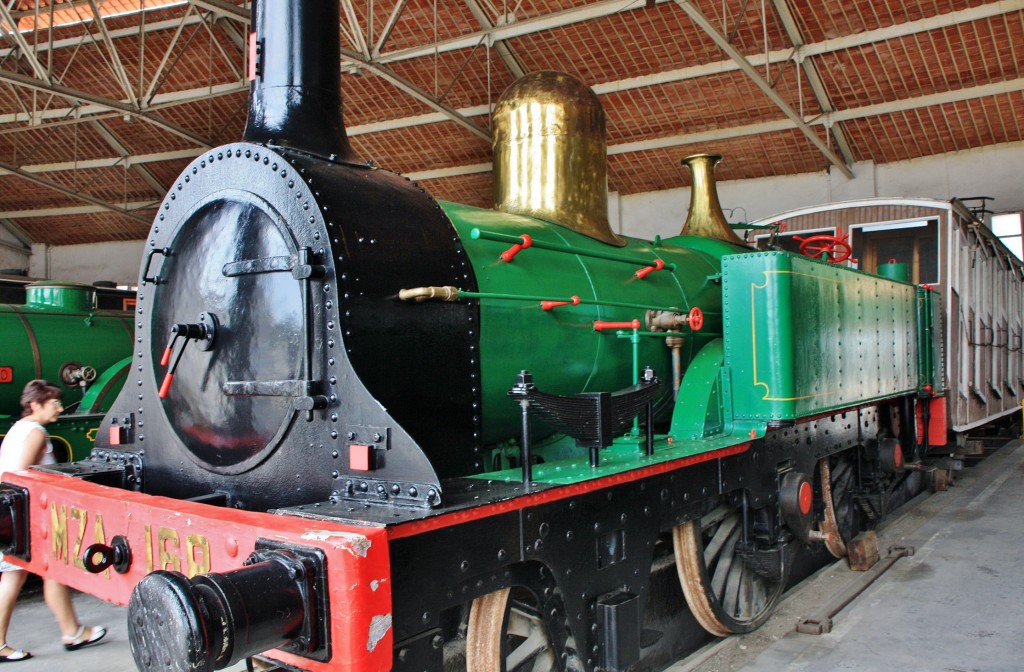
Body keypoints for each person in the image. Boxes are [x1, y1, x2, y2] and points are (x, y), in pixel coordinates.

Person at [0, 380, 106, 662]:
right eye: (54, 403)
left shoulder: (17, 429)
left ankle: (72, 631)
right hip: (27, 514)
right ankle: (68, 633)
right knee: (32, 574)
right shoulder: (35, 432)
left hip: (15, 513)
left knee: (41, 574)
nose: (59, 408)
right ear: (35, 404)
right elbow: (21, 476)